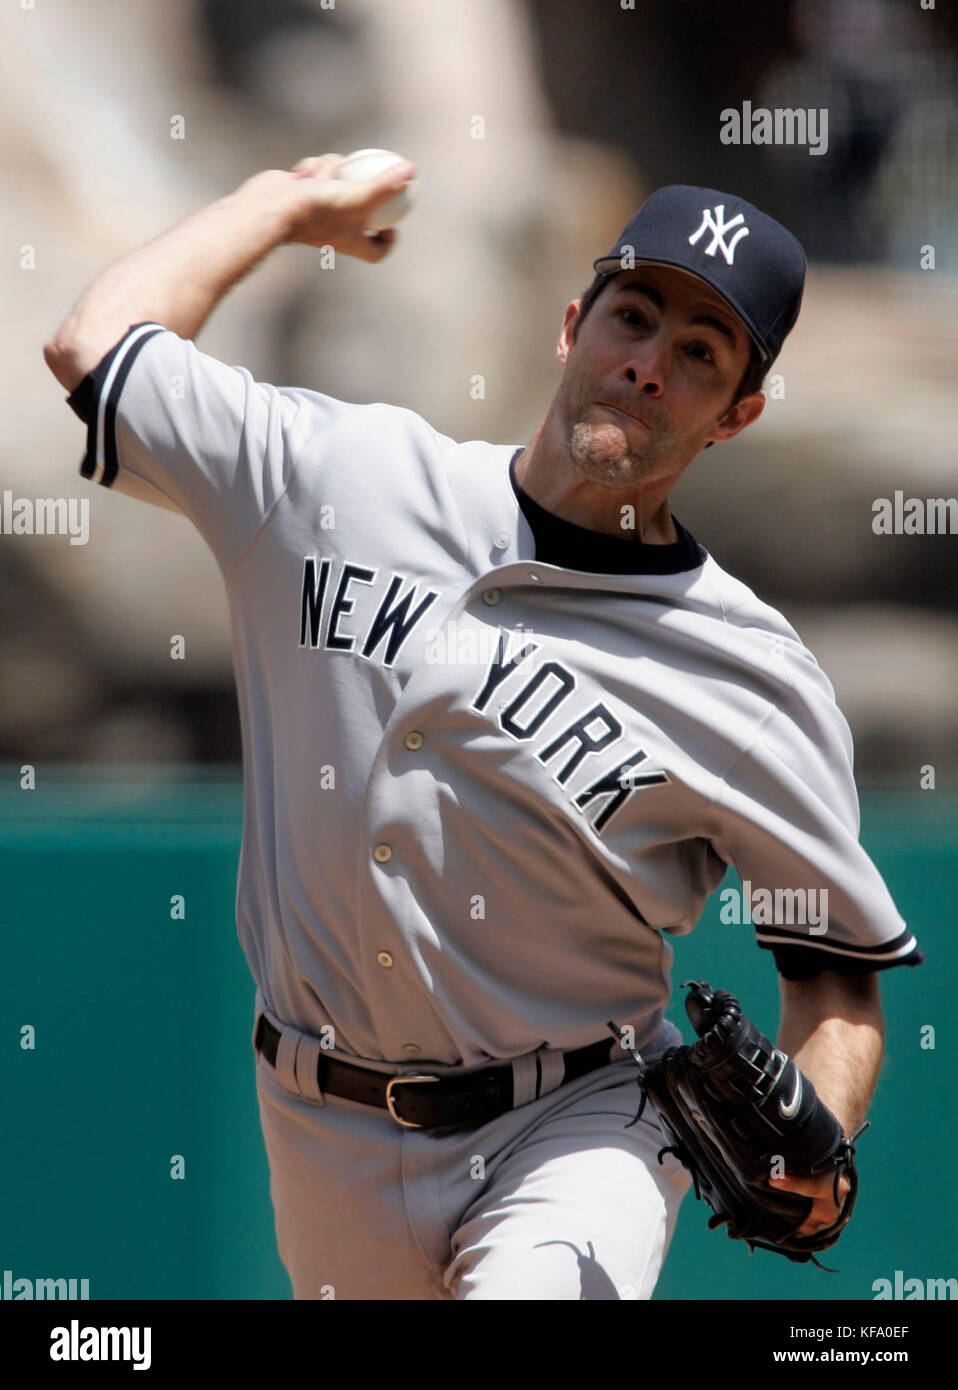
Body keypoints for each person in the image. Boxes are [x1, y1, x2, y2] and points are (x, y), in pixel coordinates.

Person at [44, 158, 923, 1301]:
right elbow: (97, 347)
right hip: (320, 1128)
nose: (647, 364)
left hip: (577, 1119)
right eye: (635, 316)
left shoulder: (750, 677)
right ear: (574, 326)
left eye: (700, 353)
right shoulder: (337, 479)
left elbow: (837, 980)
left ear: (738, 413)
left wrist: (823, 1135)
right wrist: (283, 207)